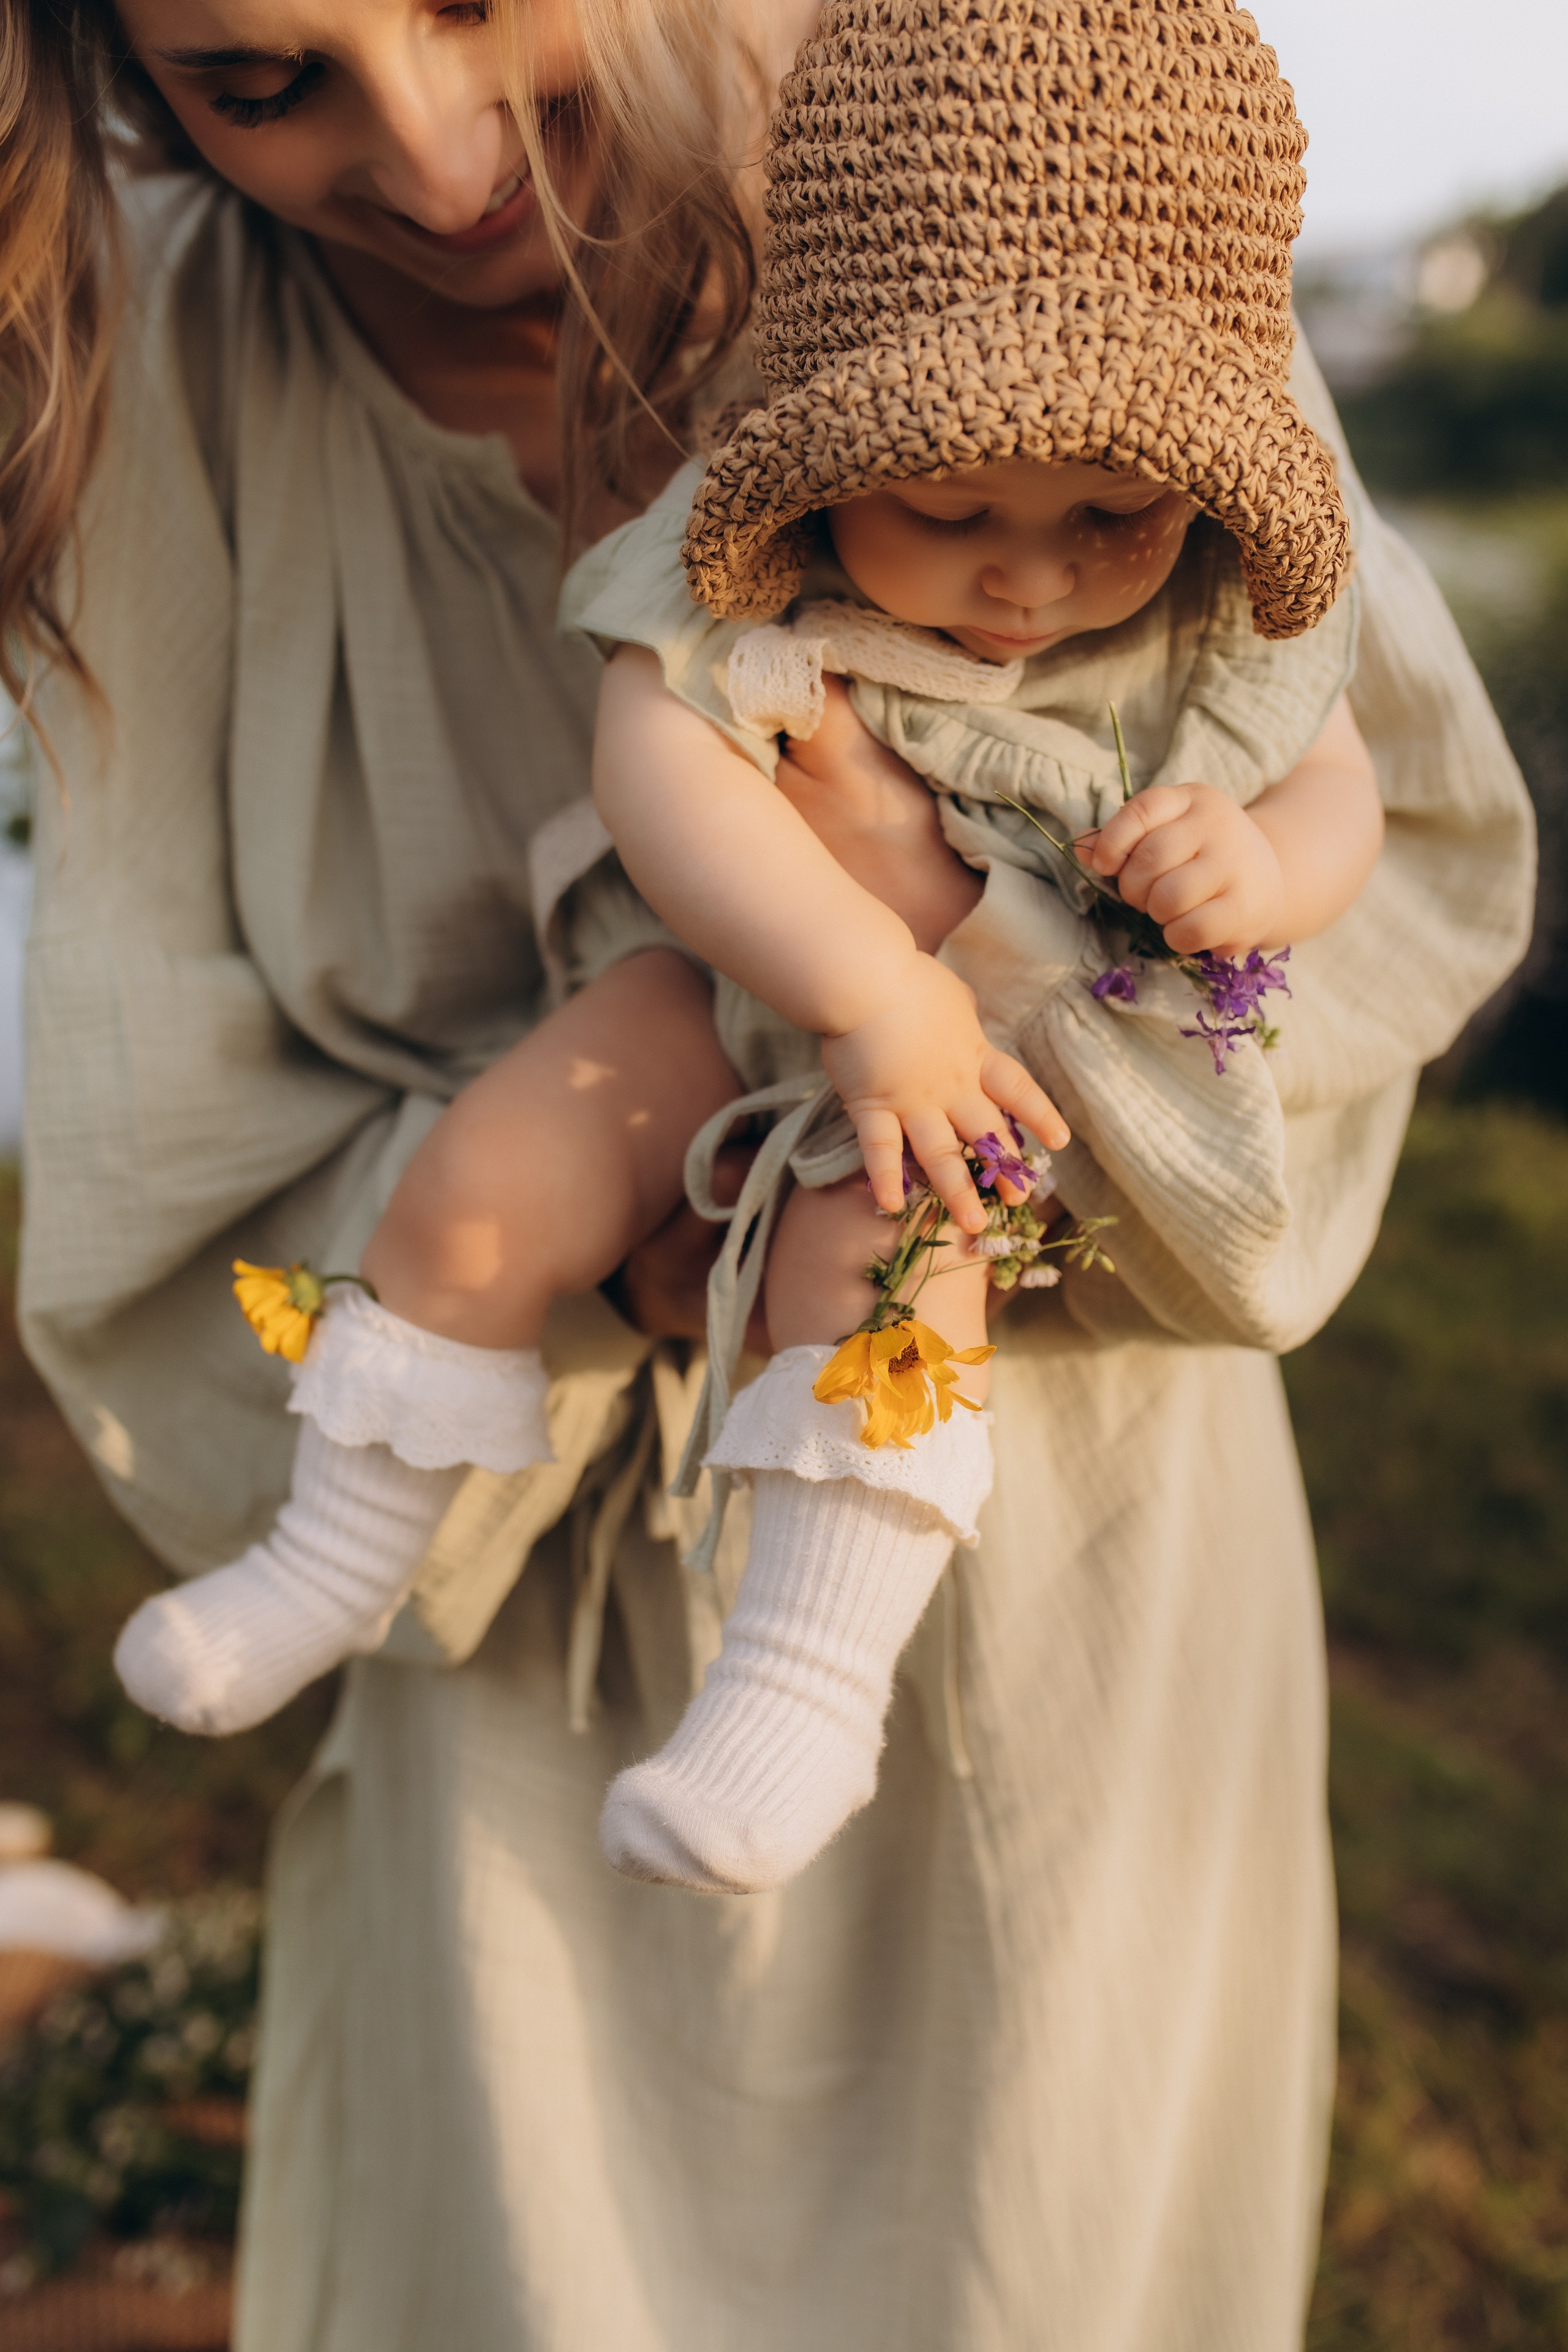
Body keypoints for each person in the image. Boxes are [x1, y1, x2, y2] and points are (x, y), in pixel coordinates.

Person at [1, 0, 1535, 2344]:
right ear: (111, 70)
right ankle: (351, 1526)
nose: (435, 165)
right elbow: (156, 1142)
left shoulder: (1019, 146)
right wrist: (626, 1248)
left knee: (1020, 2270)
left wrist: (954, 922)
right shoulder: (143, 390)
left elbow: (1396, 860)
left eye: (472, 3)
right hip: (519, 1646)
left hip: (1055, 1578)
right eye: (259, 81)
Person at [111, 0, 1390, 1913]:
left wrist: (1264, 869)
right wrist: (863, 986)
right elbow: (661, 764)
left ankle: (803, 1682)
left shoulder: (1224, 594)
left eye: (1108, 519)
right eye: (947, 511)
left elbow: (1344, 788)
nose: (1030, 571)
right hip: (734, 991)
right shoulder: (758, 559)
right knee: (484, 1179)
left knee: (885, 1277)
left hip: (984, 1083)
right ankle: (334, 1547)